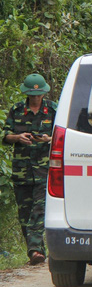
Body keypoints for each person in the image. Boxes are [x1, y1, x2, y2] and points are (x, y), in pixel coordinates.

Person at [2, 73, 57, 265]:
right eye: (32, 95)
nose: (35, 98)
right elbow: (5, 135)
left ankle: (35, 249)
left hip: (44, 170)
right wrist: (18, 137)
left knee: (39, 209)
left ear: (43, 94)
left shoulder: (53, 109)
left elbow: (61, 134)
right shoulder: (17, 110)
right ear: (27, 94)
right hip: (22, 170)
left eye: (38, 95)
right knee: (24, 213)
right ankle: (35, 251)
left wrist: (48, 139)